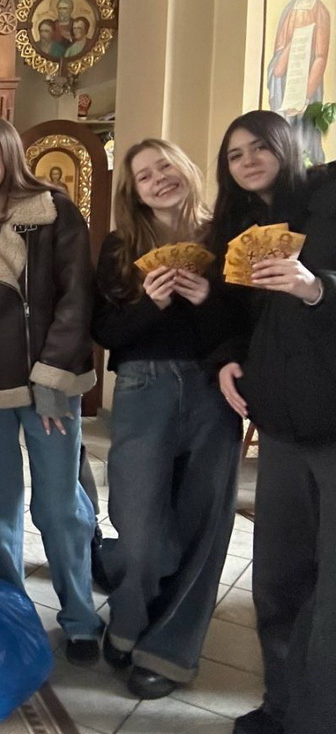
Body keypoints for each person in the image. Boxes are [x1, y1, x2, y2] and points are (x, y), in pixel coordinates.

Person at [0, 118, 104, 663]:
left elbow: (76, 298)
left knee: (59, 505)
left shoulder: (54, 213)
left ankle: (80, 616)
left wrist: (52, 377)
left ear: (12, 160)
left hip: (48, 383)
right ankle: (12, 615)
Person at [92, 139, 242, 699]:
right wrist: (149, 306)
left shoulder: (226, 238)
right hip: (142, 387)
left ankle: (170, 651)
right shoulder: (121, 245)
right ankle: (128, 620)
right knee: (140, 528)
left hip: (212, 387)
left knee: (204, 520)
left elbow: (246, 328)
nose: (158, 180)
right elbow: (105, 333)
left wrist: (208, 301)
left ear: (185, 168)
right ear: (134, 192)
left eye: (164, 167)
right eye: (144, 176)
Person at [208, 111, 336, 734]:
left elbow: (316, 295)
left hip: (334, 425)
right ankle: (280, 708)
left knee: (330, 594)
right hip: (280, 427)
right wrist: (229, 358)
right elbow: (239, 318)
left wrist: (318, 288)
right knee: (278, 582)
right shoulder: (241, 228)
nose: (249, 160)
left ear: (286, 147)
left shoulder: (330, 200)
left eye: (260, 147)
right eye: (235, 154)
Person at [267, 0, 331, 115]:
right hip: (286, 77)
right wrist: (292, 46)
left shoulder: (319, 11)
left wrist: (305, 96)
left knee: (303, 124)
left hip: (308, 77)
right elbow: (279, 50)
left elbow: (320, 56)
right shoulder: (289, 9)